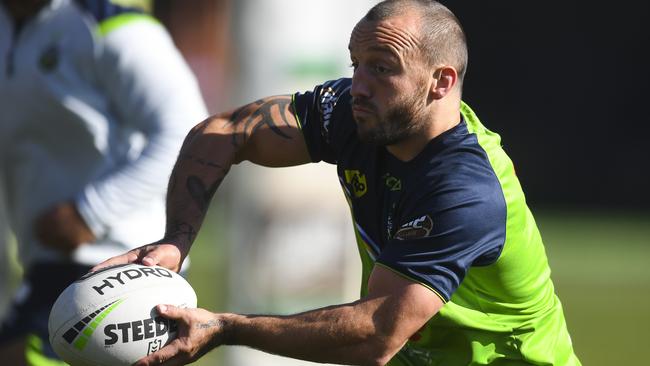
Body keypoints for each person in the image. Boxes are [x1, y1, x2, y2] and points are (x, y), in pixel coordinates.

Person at [97, 0, 582, 365]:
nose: (359, 85)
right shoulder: (358, 115)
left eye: (382, 68)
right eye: (356, 63)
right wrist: (175, 242)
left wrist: (226, 328)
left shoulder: (466, 190)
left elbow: (375, 333)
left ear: (441, 81)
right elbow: (222, 133)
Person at [0, 0, 208, 364]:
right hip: (45, 261)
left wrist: (89, 212)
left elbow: (189, 133)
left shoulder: (111, 26)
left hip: (124, 262)